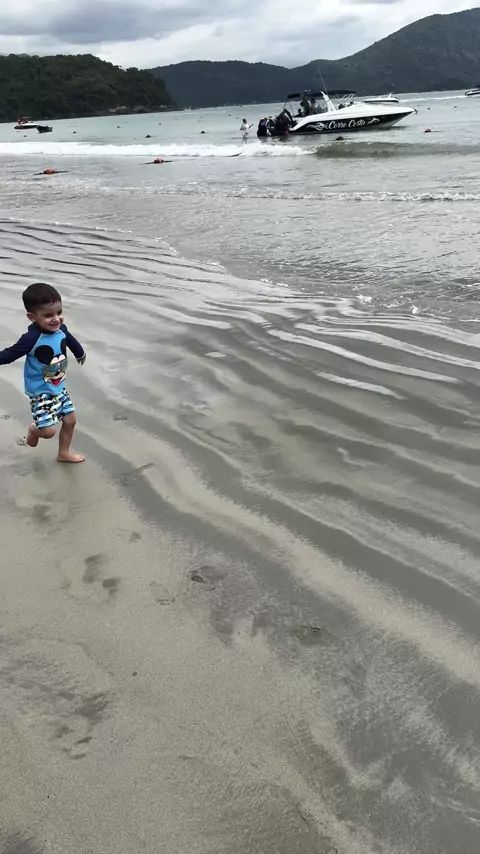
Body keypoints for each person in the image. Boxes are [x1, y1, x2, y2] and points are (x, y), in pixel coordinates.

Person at [0, 283, 86, 463]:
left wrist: (80, 353)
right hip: (40, 392)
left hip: (58, 386)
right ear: (32, 317)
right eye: (48, 315)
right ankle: (34, 430)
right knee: (48, 432)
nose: (56, 319)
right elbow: (9, 354)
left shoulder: (61, 329)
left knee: (70, 420)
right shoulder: (31, 339)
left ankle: (63, 453)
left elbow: (70, 340)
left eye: (59, 312)